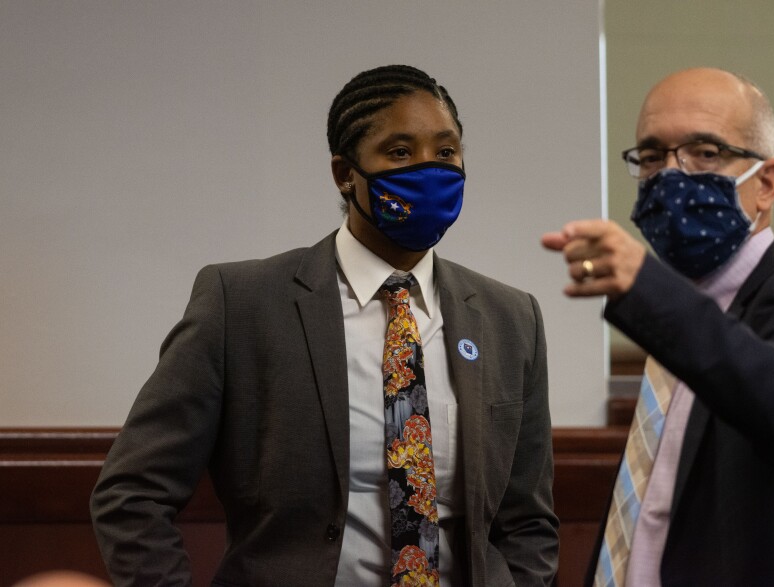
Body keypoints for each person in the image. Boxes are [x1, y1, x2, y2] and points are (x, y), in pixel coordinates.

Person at [91, 64, 559, 586]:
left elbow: (528, 520)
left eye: (445, 152)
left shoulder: (510, 318)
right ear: (344, 173)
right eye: (400, 152)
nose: (429, 169)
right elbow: (132, 494)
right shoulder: (242, 304)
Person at [542, 67, 774, 586]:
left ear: (766, 183)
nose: (672, 176)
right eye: (651, 157)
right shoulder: (686, 311)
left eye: (705, 153)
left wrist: (648, 288)